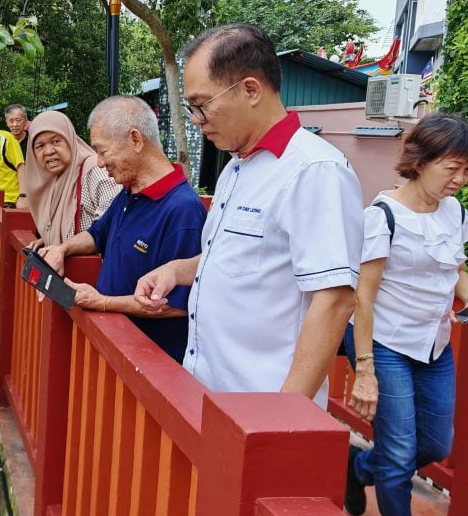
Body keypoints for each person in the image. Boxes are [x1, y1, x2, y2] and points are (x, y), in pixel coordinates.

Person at [134, 23, 363, 406]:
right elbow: (239, 259)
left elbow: (335, 297)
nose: (195, 118)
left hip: (259, 410)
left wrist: (281, 415)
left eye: (201, 104)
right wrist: (178, 270)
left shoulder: (314, 170)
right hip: (208, 394)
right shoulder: (237, 168)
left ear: (250, 90)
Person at [342, 114, 468, 516]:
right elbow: (363, 296)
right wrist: (367, 370)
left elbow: (454, 269)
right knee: (398, 455)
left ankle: (358, 468)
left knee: (436, 443)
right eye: (452, 168)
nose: (460, 180)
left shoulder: (455, 212)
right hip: (388, 344)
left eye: (466, 170)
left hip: (434, 345)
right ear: (421, 161)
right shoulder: (383, 216)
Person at [39, 96, 206, 362]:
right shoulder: (129, 192)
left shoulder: (182, 209)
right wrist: (63, 248)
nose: (100, 162)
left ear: (136, 140)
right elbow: (97, 234)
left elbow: (175, 305)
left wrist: (103, 302)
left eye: (103, 151)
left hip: (150, 362)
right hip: (116, 351)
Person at [26, 110, 120, 247]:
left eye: (56, 141)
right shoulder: (54, 180)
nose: (48, 151)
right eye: (40, 146)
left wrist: (65, 248)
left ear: (70, 140)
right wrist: (51, 240)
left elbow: (111, 223)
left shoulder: (95, 170)